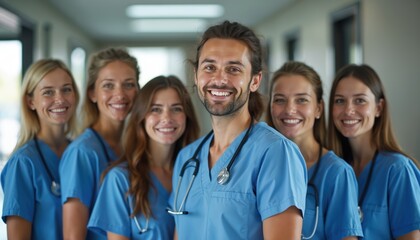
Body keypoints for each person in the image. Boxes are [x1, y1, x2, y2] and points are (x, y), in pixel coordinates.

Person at [167, 20, 307, 239]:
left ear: (255, 80)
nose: (220, 79)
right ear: (196, 75)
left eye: (233, 69)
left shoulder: (275, 153)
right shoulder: (187, 159)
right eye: (209, 67)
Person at [87, 75, 200, 239]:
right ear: (141, 117)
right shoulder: (120, 180)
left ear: (187, 117)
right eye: (156, 109)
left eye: (176, 109)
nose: (167, 118)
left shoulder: (195, 176)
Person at [266, 61, 363, 239]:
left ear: (318, 108)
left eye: (301, 100)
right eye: (280, 100)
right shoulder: (261, 165)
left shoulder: (336, 173)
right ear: (270, 106)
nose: (289, 109)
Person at [328, 63, 420, 239]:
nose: (348, 110)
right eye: (340, 100)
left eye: (360, 100)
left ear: (378, 108)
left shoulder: (398, 170)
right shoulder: (334, 169)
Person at [59, 47, 140, 240]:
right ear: (92, 93)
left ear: (138, 91)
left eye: (128, 85)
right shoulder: (82, 153)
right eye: (108, 85)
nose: (120, 94)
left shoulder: (135, 146)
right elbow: (73, 237)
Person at [1, 59, 79, 239]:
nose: (60, 99)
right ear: (31, 102)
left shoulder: (79, 154)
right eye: (48, 92)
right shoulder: (23, 163)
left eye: (66, 89)